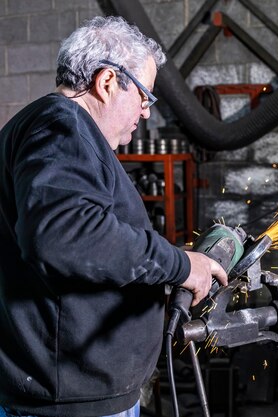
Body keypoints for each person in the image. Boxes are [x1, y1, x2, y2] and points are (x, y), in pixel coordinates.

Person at [0, 16, 227, 417]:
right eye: (144, 97)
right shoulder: (62, 126)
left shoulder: (58, 131)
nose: (146, 113)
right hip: (68, 402)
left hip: (70, 392)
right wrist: (178, 265)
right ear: (107, 82)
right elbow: (63, 235)